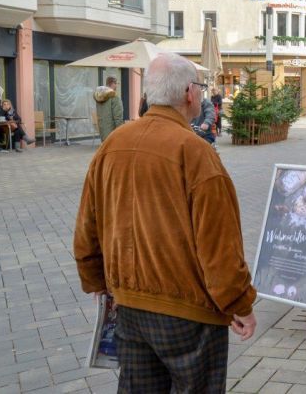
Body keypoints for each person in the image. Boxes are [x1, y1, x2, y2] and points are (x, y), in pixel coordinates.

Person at [73, 53, 256, 392]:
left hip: (128, 308)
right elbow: (219, 246)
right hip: (190, 315)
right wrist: (239, 303)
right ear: (190, 93)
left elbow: (86, 227)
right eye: (200, 88)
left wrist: (95, 280)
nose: (201, 94)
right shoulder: (196, 152)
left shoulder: (112, 145)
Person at [93, 76, 124, 142]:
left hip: (102, 130)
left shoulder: (99, 96)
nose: (116, 86)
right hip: (113, 132)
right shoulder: (114, 97)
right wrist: (121, 133)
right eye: (116, 84)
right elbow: (118, 117)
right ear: (112, 83)